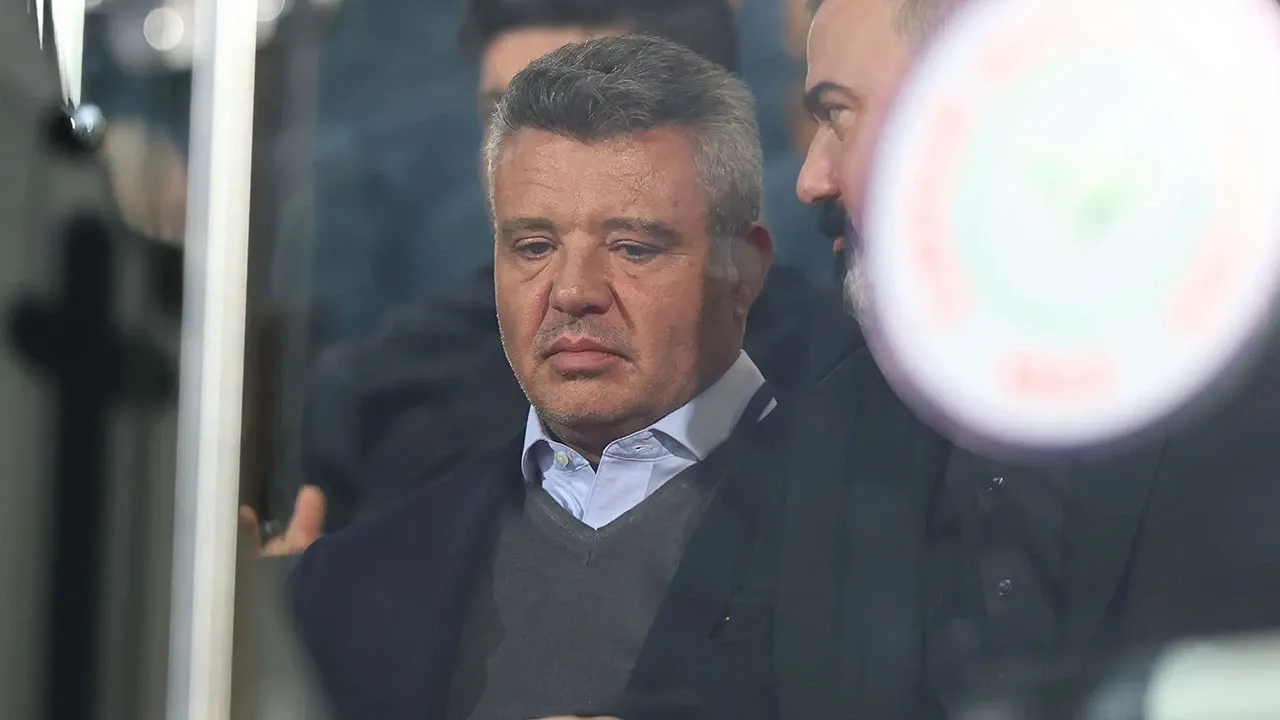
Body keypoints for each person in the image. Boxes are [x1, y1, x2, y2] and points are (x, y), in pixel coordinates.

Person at [580, 1, 1280, 719]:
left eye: (838, 114)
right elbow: (727, 686)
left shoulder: (1247, 394)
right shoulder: (823, 429)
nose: (811, 179)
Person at [291, 35, 794, 719]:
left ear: (744, 270)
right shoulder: (352, 583)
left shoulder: (878, 530)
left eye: (632, 248)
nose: (573, 291)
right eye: (534, 247)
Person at [248, 0, 859, 550]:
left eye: (585, 117)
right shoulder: (382, 392)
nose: (535, 158)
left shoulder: (838, 387)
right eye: (503, 118)